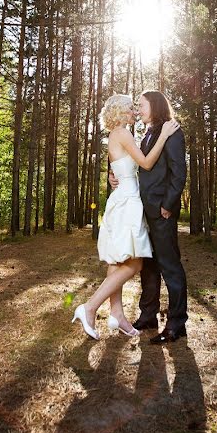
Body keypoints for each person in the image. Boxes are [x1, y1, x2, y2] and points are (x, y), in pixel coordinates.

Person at [72, 94, 180, 340]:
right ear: (121, 112)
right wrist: (163, 135)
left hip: (122, 198)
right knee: (134, 263)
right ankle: (89, 307)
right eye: (131, 109)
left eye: (136, 108)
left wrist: (113, 180)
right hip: (128, 202)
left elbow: (118, 170)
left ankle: (117, 314)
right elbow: (146, 164)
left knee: (117, 261)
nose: (135, 113)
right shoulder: (123, 133)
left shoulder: (116, 135)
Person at [110, 90, 188, 344]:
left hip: (162, 211)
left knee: (170, 266)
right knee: (149, 267)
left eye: (141, 106)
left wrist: (168, 204)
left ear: (154, 105)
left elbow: (178, 172)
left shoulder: (172, 131)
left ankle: (177, 323)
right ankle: (148, 316)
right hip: (143, 211)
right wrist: (114, 179)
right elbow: (138, 168)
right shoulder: (146, 135)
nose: (138, 110)